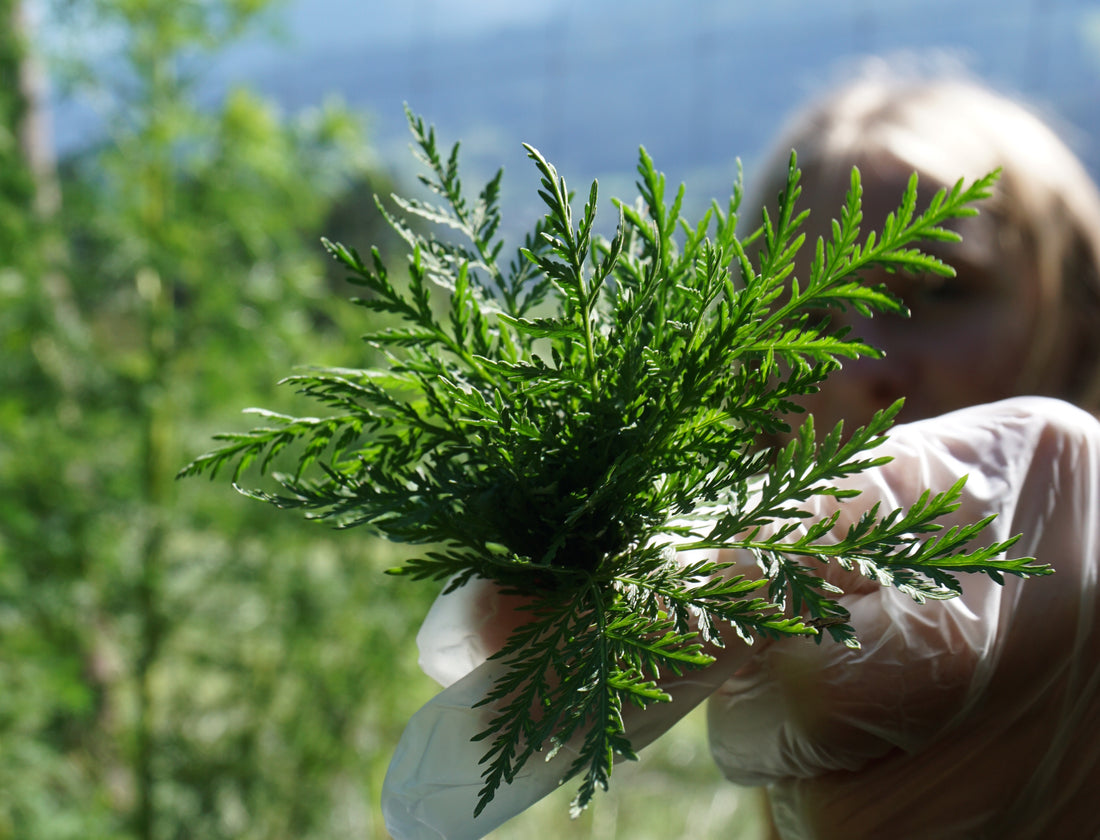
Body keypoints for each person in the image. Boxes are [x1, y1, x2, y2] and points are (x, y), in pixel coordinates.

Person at [380, 76, 1100, 840]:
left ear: (1082, 322)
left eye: (934, 289)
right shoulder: (768, 635)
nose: (857, 364)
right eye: (807, 317)